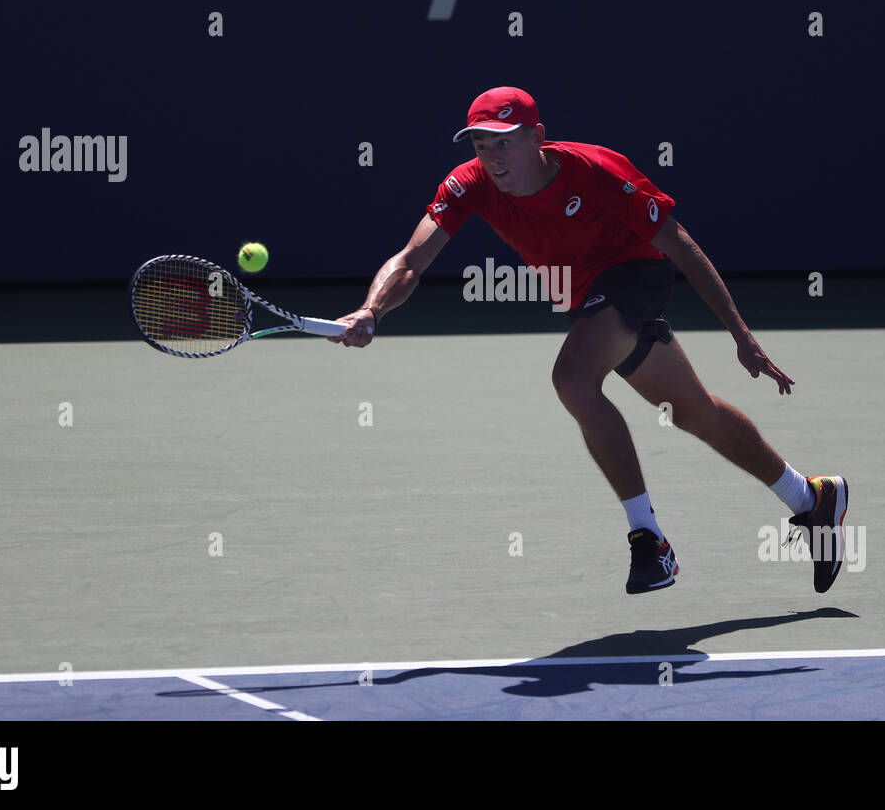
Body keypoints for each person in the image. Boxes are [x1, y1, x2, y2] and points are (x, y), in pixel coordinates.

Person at [329, 87, 849, 595]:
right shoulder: (468, 185)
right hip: (587, 300)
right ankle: (812, 497)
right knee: (692, 411)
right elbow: (410, 259)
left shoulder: (595, 171)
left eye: (503, 141)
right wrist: (372, 309)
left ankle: (649, 540)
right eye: (480, 144)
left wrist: (741, 335)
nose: (491, 156)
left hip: (636, 273)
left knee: (573, 380)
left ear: (537, 137)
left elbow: (681, 245)